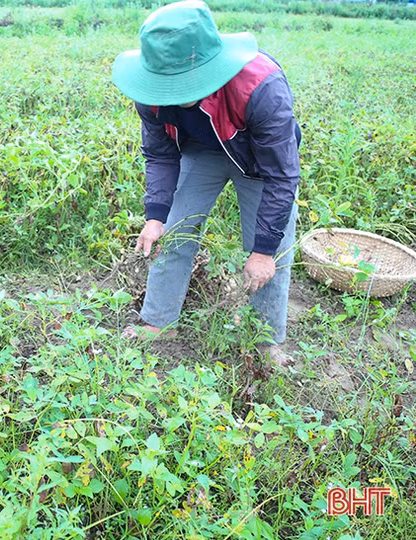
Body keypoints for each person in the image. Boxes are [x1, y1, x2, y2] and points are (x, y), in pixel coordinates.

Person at [111, 0, 301, 366]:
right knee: (174, 231)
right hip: (202, 150)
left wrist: (262, 251)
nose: (173, 93)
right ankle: (159, 322)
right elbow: (161, 154)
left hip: (258, 162)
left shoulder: (261, 87)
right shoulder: (149, 93)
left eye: (183, 84)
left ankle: (265, 340)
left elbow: (281, 174)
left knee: (272, 251)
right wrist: (155, 215)